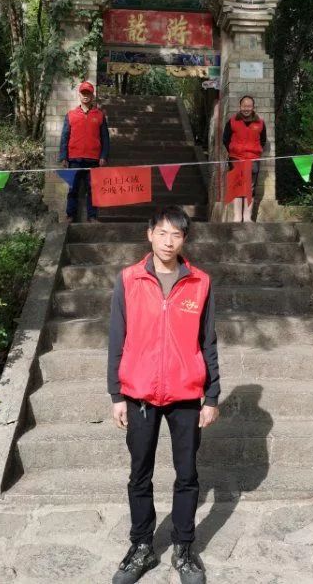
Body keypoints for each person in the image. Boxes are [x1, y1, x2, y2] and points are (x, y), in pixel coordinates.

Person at [107, 205, 220, 584]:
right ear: (150, 234)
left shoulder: (200, 282)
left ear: (184, 239)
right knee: (140, 474)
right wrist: (116, 394)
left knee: (187, 474)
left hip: (186, 394)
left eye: (177, 234)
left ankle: (184, 549)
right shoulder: (129, 279)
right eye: (162, 233)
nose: (169, 241)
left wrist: (212, 396)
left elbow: (208, 341)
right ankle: (141, 546)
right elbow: (117, 339)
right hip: (139, 393)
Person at [58, 81, 109, 223]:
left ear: (92, 96)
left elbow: (105, 138)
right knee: (73, 189)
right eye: (83, 93)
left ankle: (92, 217)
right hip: (74, 159)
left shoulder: (100, 115)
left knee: (93, 189)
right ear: (79, 95)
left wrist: (103, 156)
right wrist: (63, 157)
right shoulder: (70, 115)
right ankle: (70, 216)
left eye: (88, 93)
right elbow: (64, 137)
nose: (85, 96)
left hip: (93, 159)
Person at [222, 95, 267, 222]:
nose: (246, 108)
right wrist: (234, 151)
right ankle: (237, 217)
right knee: (237, 187)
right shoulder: (232, 121)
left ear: (253, 107)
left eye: (249, 106)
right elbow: (225, 139)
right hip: (236, 159)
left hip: (253, 159)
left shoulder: (260, 123)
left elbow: (263, 140)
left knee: (250, 188)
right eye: (244, 106)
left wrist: (254, 150)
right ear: (240, 106)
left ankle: (247, 217)